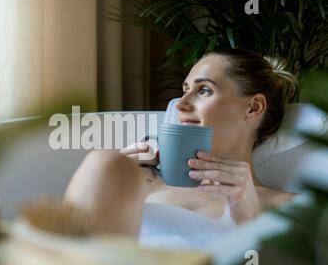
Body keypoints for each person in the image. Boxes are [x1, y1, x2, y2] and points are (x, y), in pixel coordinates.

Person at [63, 49, 298, 238]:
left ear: (253, 107)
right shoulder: (144, 185)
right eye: (185, 90)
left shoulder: (291, 207)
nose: (180, 104)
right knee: (104, 161)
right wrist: (114, 180)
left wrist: (249, 218)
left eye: (204, 90)